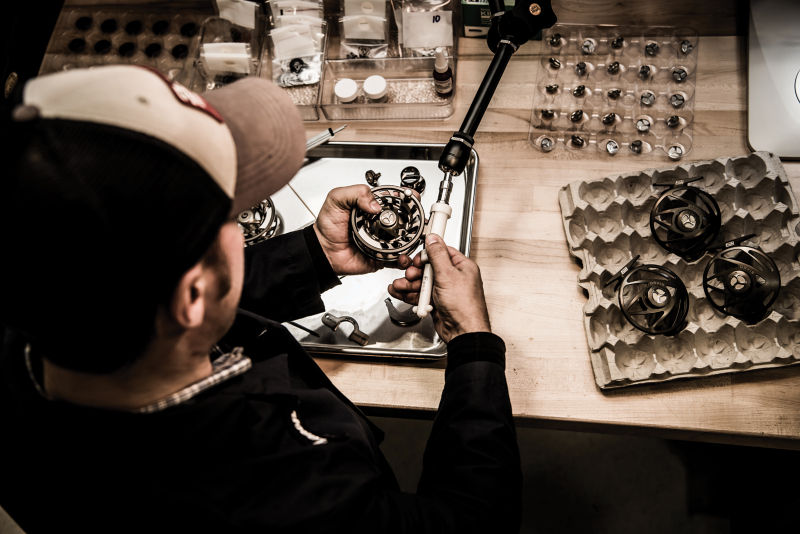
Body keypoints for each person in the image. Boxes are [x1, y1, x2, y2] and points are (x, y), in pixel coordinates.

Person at [0, 65, 520, 533]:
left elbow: (135, 300)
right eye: (231, 214)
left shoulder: (37, 308)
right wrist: (472, 346)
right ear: (194, 293)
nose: (243, 221)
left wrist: (314, 255)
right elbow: (472, 523)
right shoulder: (298, 495)